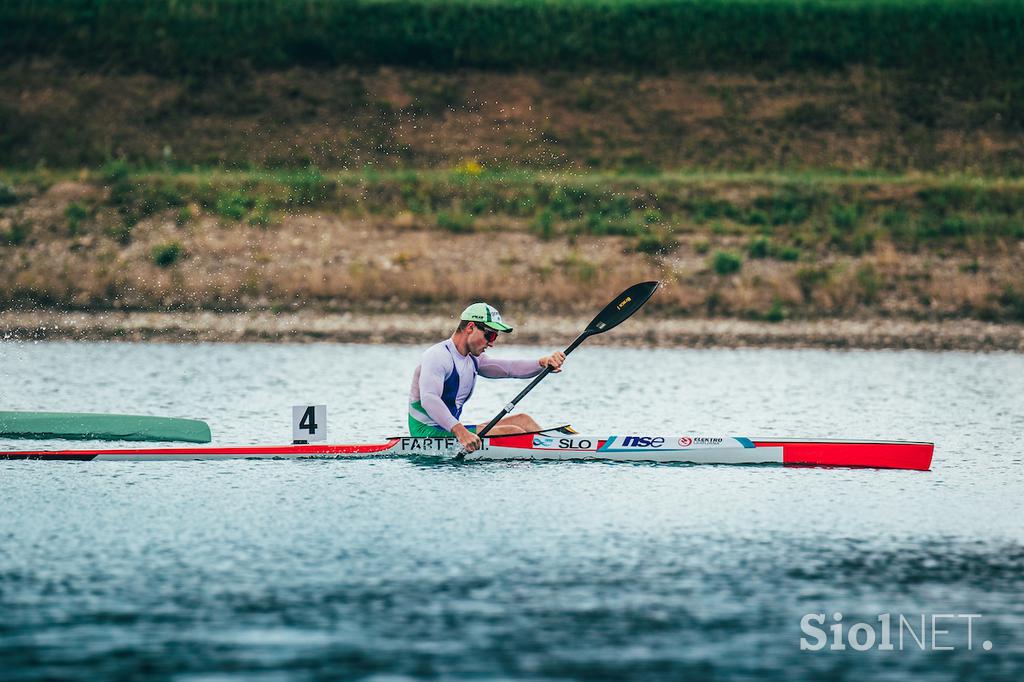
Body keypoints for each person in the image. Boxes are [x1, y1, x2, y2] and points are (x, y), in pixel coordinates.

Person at [408, 302, 566, 452]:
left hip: (451, 430)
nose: (491, 343)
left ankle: (565, 447)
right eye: (490, 335)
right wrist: (461, 432)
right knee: (512, 431)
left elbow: (510, 368)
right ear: (470, 327)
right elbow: (429, 399)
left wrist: (542, 362)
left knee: (523, 420)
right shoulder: (438, 356)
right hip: (427, 433)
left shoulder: (473, 359)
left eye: (495, 337)